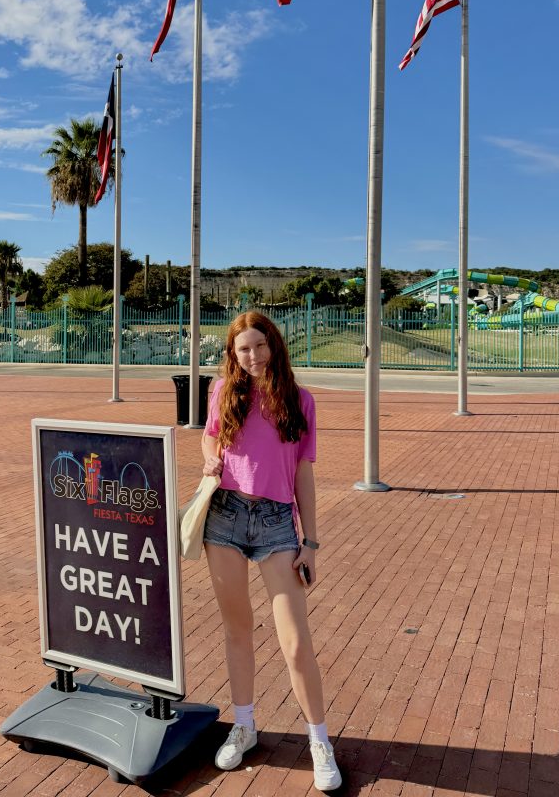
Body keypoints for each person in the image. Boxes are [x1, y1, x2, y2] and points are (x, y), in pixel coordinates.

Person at [201, 311, 341, 791]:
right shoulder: (223, 392)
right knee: (238, 630)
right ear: (233, 354)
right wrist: (209, 460)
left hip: (278, 524)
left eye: (260, 346)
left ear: (274, 345)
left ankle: (319, 741)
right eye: (244, 349)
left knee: (296, 643)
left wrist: (312, 542)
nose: (253, 356)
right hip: (225, 518)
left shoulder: (299, 400)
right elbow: (211, 437)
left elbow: (303, 470)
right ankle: (245, 725)